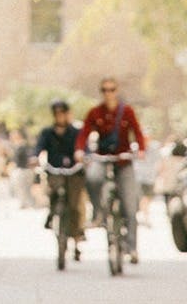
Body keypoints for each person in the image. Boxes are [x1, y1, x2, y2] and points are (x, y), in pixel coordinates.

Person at [74, 77, 147, 264]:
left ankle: (132, 247)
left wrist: (140, 150)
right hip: (103, 159)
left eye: (112, 89)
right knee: (92, 177)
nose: (108, 93)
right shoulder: (95, 112)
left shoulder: (127, 111)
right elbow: (84, 133)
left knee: (130, 205)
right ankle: (99, 211)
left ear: (117, 90)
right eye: (105, 90)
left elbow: (137, 132)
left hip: (123, 160)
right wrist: (80, 150)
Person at [34, 99, 85, 260]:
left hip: (74, 173)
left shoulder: (76, 132)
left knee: (75, 205)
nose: (60, 116)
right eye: (57, 114)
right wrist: (34, 157)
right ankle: (51, 214)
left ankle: (77, 239)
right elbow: (38, 148)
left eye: (63, 113)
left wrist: (82, 155)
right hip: (55, 171)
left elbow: (83, 148)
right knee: (53, 194)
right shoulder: (47, 132)